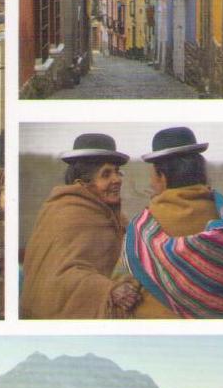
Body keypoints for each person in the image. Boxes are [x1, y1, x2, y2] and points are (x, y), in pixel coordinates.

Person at [124, 127, 223, 319]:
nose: (151, 183)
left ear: (162, 177)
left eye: (153, 176)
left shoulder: (144, 227)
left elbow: (123, 283)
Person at [20, 133, 139, 319]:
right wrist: (110, 290)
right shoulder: (68, 214)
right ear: (82, 183)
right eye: (106, 174)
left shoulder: (112, 217)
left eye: (117, 171)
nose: (117, 179)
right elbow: (59, 277)